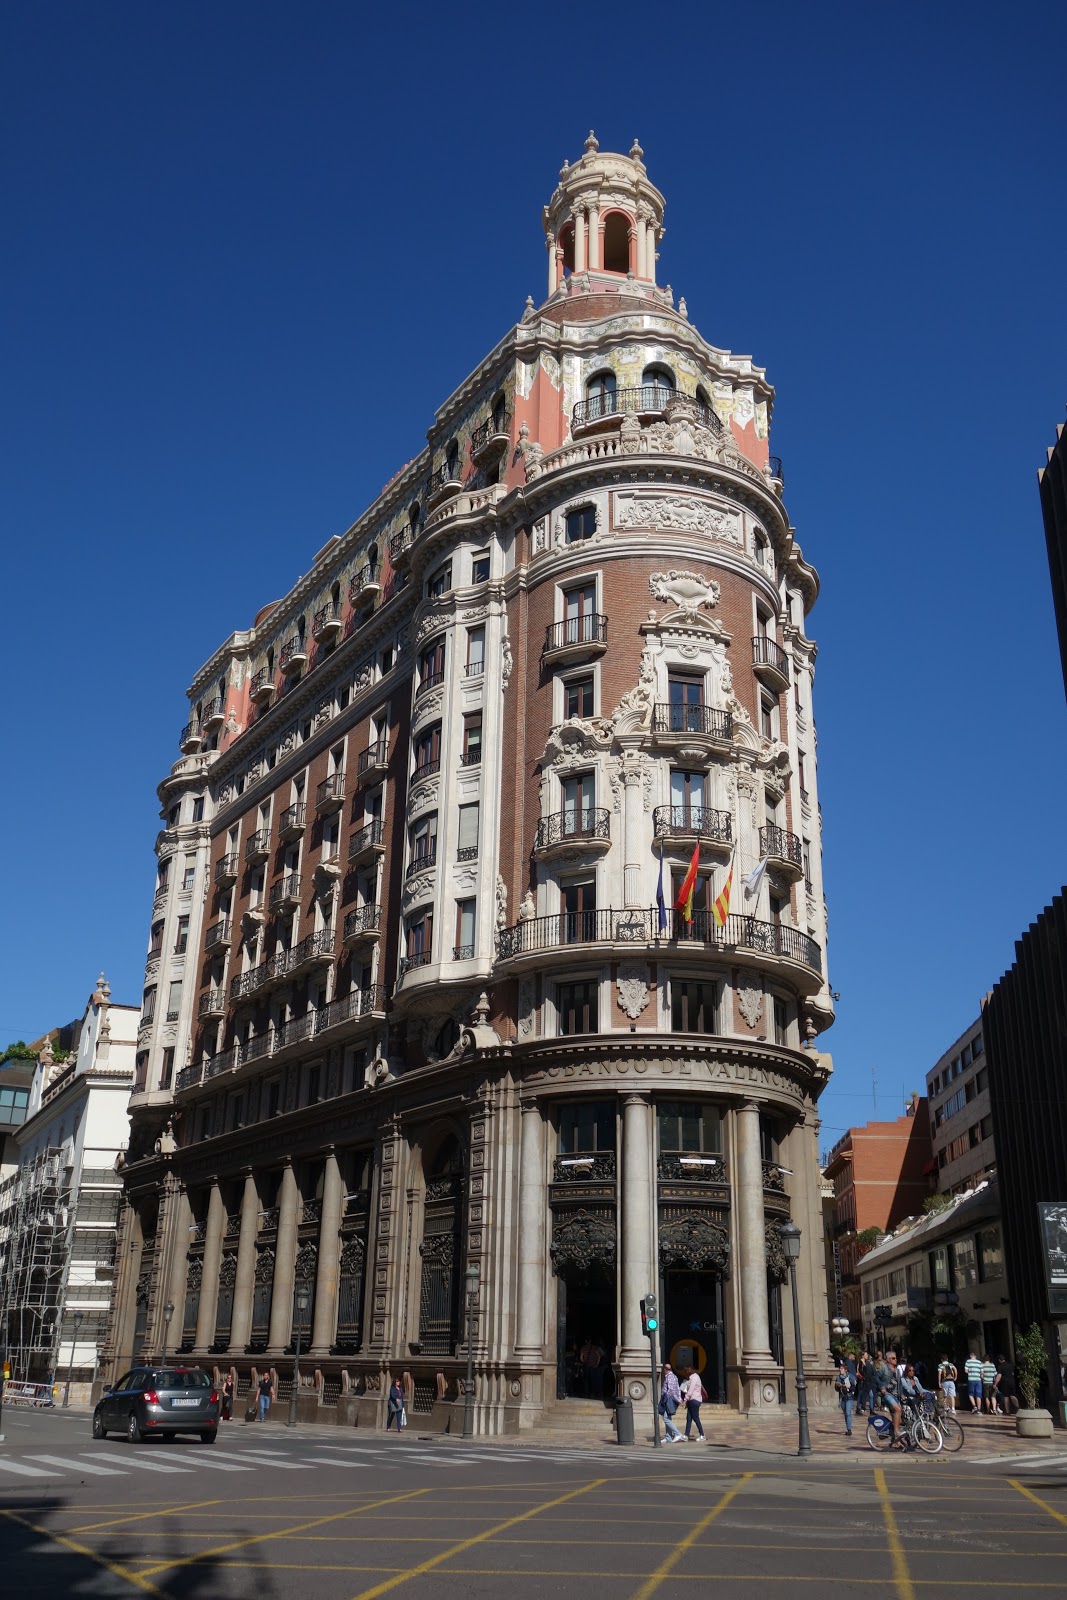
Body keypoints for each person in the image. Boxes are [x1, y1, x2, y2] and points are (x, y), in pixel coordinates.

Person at [873, 1349, 903, 1443]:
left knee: (898, 1419)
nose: (895, 1360)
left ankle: (895, 1440)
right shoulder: (884, 1368)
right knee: (897, 1409)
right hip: (887, 1395)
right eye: (893, 1358)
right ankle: (897, 1432)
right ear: (889, 1359)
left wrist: (901, 1395)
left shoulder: (897, 1371)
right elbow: (876, 1377)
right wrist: (882, 1387)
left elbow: (900, 1384)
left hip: (895, 1396)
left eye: (896, 1358)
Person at [659, 1362, 684, 1442]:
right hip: (670, 1399)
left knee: (666, 1418)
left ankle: (678, 1433)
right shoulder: (672, 1376)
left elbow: (671, 1389)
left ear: (665, 1370)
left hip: (669, 1399)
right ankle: (668, 1437)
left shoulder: (670, 1377)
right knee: (668, 1417)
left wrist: (665, 1398)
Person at [681, 1367, 707, 1441]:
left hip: (695, 1400)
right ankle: (686, 1435)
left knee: (695, 1417)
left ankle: (702, 1435)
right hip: (691, 1400)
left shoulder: (694, 1378)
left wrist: (684, 1400)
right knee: (689, 1418)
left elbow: (691, 1390)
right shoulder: (693, 1377)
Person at [834, 1359, 856, 1437]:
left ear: (845, 1370)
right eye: (840, 1369)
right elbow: (836, 1389)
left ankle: (849, 1429)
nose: (840, 1370)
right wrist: (838, 1385)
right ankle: (848, 1428)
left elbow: (854, 1387)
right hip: (842, 1398)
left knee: (848, 1413)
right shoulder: (838, 1378)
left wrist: (849, 1387)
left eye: (842, 1369)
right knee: (845, 1414)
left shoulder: (850, 1376)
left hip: (849, 1396)